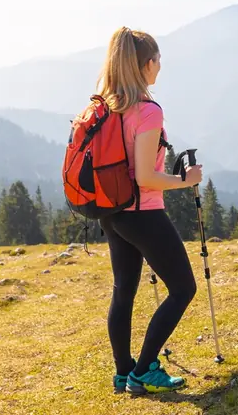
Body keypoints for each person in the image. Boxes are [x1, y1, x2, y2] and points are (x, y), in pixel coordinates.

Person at [95, 26, 202, 395]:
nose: (160, 66)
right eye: (158, 59)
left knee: (123, 289)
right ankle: (144, 371)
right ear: (147, 64)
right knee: (183, 288)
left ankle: (123, 372)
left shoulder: (108, 105)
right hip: (142, 211)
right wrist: (185, 181)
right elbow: (144, 177)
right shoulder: (148, 111)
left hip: (112, 210)